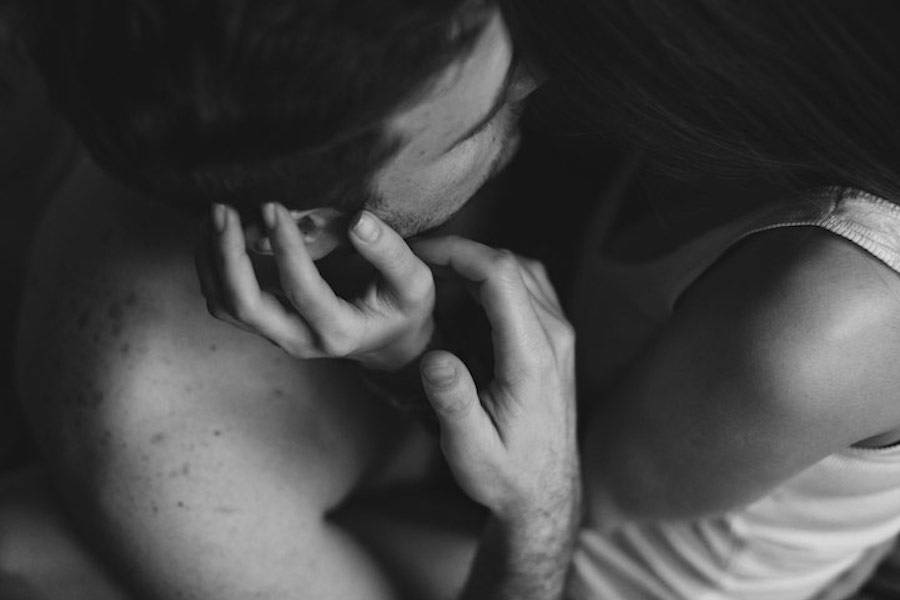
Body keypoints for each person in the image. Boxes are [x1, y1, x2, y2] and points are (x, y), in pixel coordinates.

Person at [209, 0, 900, 598]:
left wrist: (412, 361)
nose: (531, 71)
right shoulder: (719, 98)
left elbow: (559, 498)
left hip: (611, 571)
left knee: (237, 515)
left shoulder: (823, 320)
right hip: (623, 453)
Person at [7, 1, 582, 599]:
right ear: (305, 228)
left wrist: (412, 358)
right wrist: (537, 505)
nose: (535, 73)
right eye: (481, 119)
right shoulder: (172, 460)